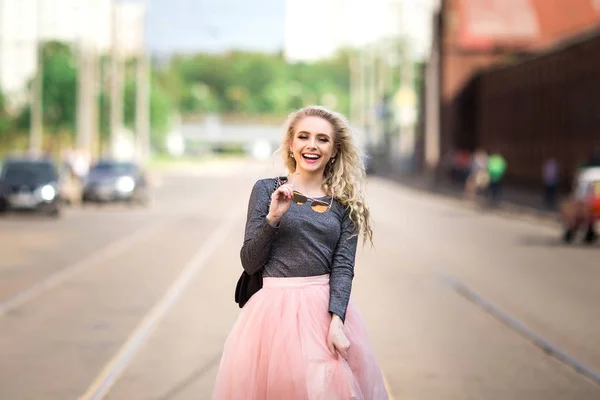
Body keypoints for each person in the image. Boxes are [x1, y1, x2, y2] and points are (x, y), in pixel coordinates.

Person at [212, 106, 389, 399]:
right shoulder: (266, 189)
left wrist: (337, 322)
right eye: (304, 136)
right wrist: (273, 218)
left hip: (322, 315)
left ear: (333, 151)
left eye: (322, 139)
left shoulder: (345, 204)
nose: (312, 145)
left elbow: (343, 268)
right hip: (271, 316)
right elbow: (250, 261)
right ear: (291, 145)